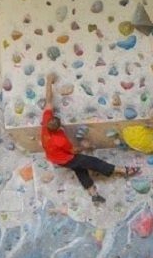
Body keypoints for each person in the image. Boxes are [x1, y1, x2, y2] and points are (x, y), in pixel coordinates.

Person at [42, 72, 140, 204]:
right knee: (94, 162)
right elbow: (75, 151)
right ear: (58, 127)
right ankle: (123, 170)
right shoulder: (61, 140)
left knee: (80, 169)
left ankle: (93, 193)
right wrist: (86, 146)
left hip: (54, 158)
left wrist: (49, 81)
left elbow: (48, 100)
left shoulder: (45, 124)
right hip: (66, 157)